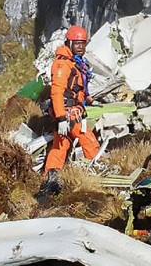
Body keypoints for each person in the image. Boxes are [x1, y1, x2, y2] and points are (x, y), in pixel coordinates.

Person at [38, 25, 100, 197]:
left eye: (83, 43)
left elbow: (77, 88)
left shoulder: (75, 63)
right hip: (68, 113)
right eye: (77, 43)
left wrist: (89, 100)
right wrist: (61, 118)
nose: (81, 47)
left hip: (71, 110)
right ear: (69, 43)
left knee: (60, 146)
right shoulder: (62, 64)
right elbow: (57, 91)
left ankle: (50, 180)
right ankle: (98, 170)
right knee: (88, 140)